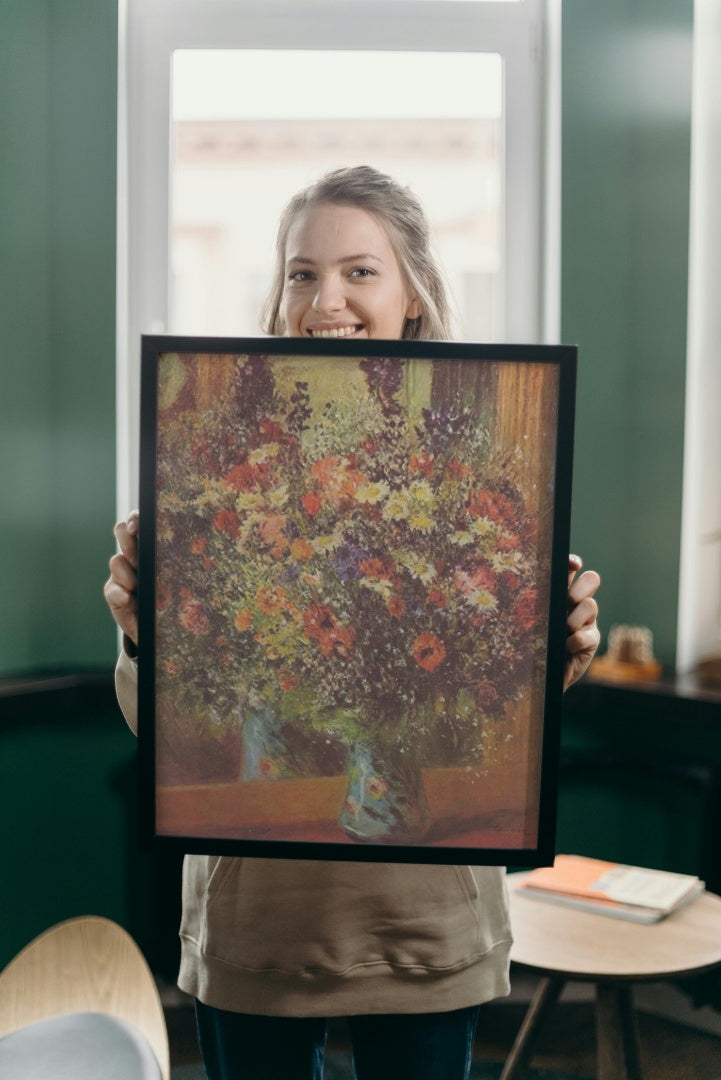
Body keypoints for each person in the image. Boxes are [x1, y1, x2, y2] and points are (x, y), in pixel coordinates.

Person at [105, 166, 601, 1080]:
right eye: (301, 272)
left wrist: (555, 648)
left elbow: (500, 713)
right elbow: (164, 726)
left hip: (423, 918)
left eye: (359, 271)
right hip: (260, 918)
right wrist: (146, 637)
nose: (324, 298)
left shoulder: (479, 478)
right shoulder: (214, 476)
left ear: (412, 293)